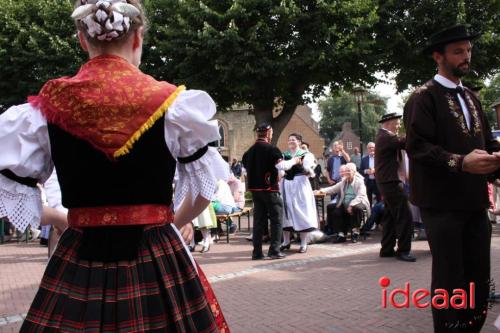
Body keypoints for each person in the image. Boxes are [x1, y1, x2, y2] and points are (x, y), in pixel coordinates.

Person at [0, 1, 230, 331]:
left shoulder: (47, 108)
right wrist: (173, 223)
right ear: (138, 37)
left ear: (83, 40)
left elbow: (15, 195)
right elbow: (206, 191)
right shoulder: (172, 105)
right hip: (155, 253)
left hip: (80, 255)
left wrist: (62, 218)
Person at [404, 24, 500, 332]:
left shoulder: (472, 97)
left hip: (474, 203)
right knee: (450, 278)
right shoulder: (423, 97)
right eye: (458, 51)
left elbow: (488, 144)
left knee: (479, 276)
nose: (466, 56)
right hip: (441, 204)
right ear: (438, 56)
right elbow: (417, 147)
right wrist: (460, 163)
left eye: (468, 50)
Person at [242, 123, 299, 260]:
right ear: (268, 133)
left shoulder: (249, 151)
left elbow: (245, 170)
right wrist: (294, 161)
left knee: (258, 221)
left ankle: (257, 252)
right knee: (276, 219)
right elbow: (281, 166)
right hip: (270, 189)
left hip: (255, 190)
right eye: (271, 132)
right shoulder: (271, 149)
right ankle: (274, 250)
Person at [375, 112, 416, 262]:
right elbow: (407, 142)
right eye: (397, 123)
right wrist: (417, 128)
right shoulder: (387, 137)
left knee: (390, 216)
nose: (399, 125)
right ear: (388, 123)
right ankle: (403, 250)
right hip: (391, 181)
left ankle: (386, 249)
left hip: (386, 181)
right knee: (405, 214)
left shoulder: (383, 136)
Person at [280, 133, 319, 253]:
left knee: (301, 211)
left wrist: (303, 167)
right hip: (286, 184)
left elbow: (309, 172)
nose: (291, 141)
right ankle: (286, 241)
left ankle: (303, 243)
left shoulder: (306, 154)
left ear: (299, 142)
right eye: (289, 139)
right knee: (285, 212)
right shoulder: (284, 154)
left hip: (300, 184)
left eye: (293, 140)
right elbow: (281, 169)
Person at [315, 163, 370, 243]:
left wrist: (351, 205)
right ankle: (341, 234)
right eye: (346, 171)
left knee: (357, 208)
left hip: (358, 202)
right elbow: (333, 189)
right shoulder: (344, 181)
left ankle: (355, 231)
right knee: (336, 211)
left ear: (354, 172)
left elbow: (361, 196)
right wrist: (321, 190)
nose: (346, 173)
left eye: (349, 171)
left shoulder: (359, 182)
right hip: (345, 203)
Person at [360, 142, 381, 207]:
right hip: (368, 181)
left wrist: (375, 170)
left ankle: (379, 215)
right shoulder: (364, 159)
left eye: (373, 147)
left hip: (377, 181)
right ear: (367, 149)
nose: (371, 149)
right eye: (370, 148)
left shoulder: (379, 158)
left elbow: (383, 169)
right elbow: (360, 171)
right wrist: (366, 171)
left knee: (379, 199)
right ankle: (370, 214)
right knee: (368, 200)